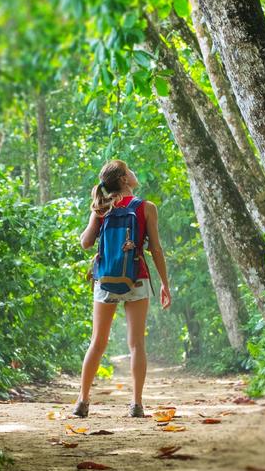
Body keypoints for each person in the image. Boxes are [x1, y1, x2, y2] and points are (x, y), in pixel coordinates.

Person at [73, 159, 171, 418]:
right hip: (136, 277)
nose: (134, 172)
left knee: (97, 342)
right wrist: (164, 284)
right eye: (130, 170)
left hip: (105, 279)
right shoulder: (146, 208)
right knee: (136, 344)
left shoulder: (102, 207)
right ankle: (136, 404)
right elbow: (156, 249)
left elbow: (85, 243)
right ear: (125, 180)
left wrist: (96, 213)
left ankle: (82, 402)